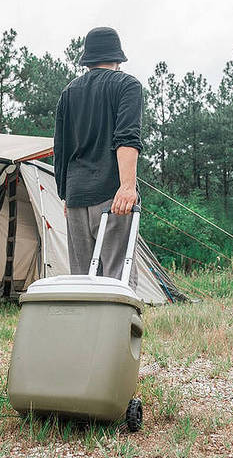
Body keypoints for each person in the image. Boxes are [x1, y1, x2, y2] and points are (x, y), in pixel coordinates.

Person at [53, 26, 143, 290]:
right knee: (117, 278)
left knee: (83, 281)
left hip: (76, 195)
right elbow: (126, 138)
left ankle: (88, 331)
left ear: (88, 59)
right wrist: (127, 187)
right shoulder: (127, 85)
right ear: (118, 58)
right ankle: (117, 331)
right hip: (112, 195)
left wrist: (64, 195)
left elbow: (61, 149)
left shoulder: (69, 92)